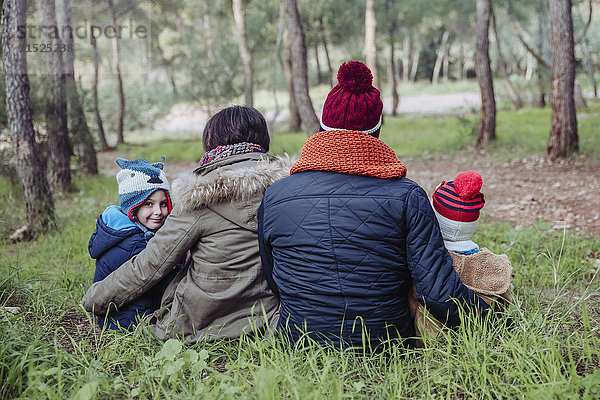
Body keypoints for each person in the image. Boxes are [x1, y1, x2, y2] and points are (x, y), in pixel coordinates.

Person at [258, 61, 492, 350]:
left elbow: (273, 277)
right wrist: (495, 321)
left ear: (321, 128)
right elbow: (437, 293)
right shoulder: (408, 196)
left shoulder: (276, 194)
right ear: (378, 131)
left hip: (297, 341)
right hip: (385, 345)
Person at [83, 106, 289, 343]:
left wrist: (94, 299)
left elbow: (149, 265)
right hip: (267, 317)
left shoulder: (199, 198)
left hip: (201, 321)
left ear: (211, 143)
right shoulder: (287, 190)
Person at [409, 171, 513, 340]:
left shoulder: (427, 260)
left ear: (433, 216)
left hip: (434, 340)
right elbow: (504, 300)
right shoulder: (492, 264)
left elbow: (412, 301)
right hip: (481, 335)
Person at [89, 157, 177, 331]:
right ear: (132, 207)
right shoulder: (135, 243)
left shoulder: (134, 229)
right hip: (127, 321)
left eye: (163, 204)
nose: (158, 212)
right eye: (148, 204)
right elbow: (159, 278)